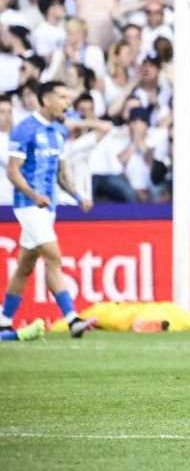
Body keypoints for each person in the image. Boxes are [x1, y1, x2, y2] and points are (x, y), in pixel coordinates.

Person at [0, 81, 95, 339]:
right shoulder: (25, 129)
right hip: (28, 205)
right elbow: (13, 170)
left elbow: (61, 173)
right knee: (53, 256)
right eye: (62, 97)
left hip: (46, 207)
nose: (67, 102)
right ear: (46, 101)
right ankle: (72, 318)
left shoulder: (57, 131)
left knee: (25, 266)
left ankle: (3, 320)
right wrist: (33, 194)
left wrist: (78, 195)